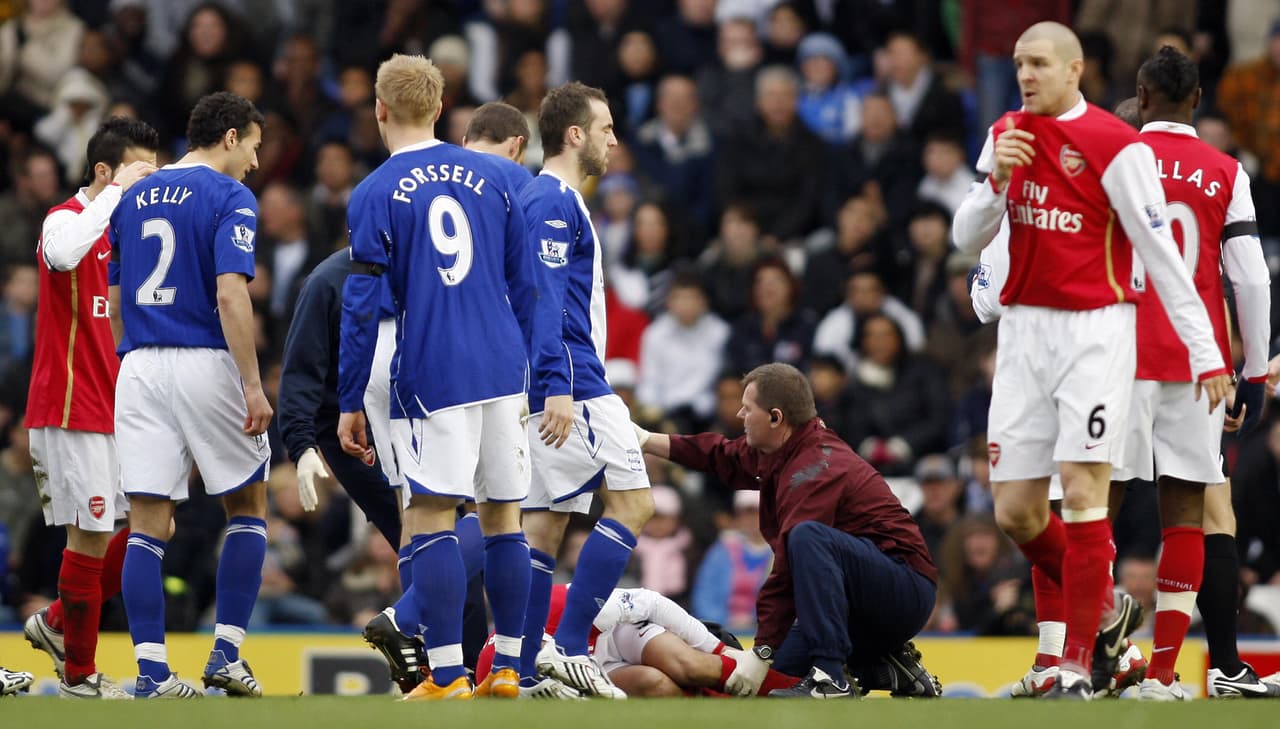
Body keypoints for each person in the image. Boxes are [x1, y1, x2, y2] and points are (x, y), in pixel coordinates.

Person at [952, 22, 1231, 699]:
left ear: (1074, 70)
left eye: (1039, 63)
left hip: (1095, 334)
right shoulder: (1005, 135)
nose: (1025, 74)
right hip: (1022, 337)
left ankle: (1076, 663)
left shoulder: (1115, 144)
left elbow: (1165, 258)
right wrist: (996, 179)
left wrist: (1206, 352)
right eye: (1019, 62)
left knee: (1082, 490)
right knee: (1018, 512)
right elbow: (966, 241)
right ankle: (1109, 612)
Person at [337, 54, 537, 702]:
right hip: (505, 364)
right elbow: (525, 282)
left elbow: (363, 304)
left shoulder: (372, 192)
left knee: (430, 517)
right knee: (505, 517)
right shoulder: (499, 175)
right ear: (443, 105)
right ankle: (507, 665)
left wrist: (349, 397)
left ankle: (448, 673)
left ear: (380, 109)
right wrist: (531, 365)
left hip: (433, 368)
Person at [635, 363, 941, 699]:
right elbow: (721, 454)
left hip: (902, 590)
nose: (739, 415)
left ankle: (831, 677)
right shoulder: (787, 449)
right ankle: (888, 667)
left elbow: (786, 571)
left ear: (776, 418)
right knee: (778, 678)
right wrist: (648, 440)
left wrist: (762, 649)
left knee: (806, 537)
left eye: (747, 408)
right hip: (870, 596)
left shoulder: (815, 467)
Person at [110, 91, 271, 699]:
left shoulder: (131, 198)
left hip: (140, 365)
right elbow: (231, 294)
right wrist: (252, 384)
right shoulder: (230, 196)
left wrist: (132, 360)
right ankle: (227, 653)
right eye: (253, 146)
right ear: (230, 137)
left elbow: (116, 304)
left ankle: (151, 673)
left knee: (148, 523)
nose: (255, 162)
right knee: (248, 505)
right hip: (204, 358)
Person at [517, 81, 654, 700]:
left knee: (544, 527)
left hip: (550, 376)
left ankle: (521, 669)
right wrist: (557, 385)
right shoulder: (553, 200)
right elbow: (545, 300)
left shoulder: (543, 197)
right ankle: (570, 648)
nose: (613, 140)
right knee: (633, 505)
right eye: (605, 128)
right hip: (572, 377)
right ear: (574, 134)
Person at [21, 117, 157, 699]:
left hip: (117, 404)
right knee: (92, 536)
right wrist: (113, 199)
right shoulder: (67, 219)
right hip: (72, 404)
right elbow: (59, 256)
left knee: (158, 519)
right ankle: (79, 675)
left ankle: (56, 622)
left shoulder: (124, 229)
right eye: (134, 173)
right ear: (104, 172)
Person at [477, 584, 800, 698]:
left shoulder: (556, 602)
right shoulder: (495, 676)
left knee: (689, 664)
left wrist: (719, 649)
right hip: (591, 671)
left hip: (612, 635)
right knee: (657, 686)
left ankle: (796, 688)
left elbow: (649, 602)